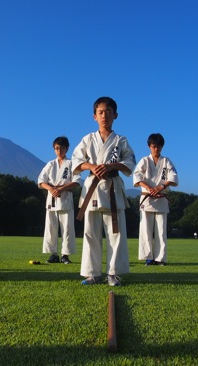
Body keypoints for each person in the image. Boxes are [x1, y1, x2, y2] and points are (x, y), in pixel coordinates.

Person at [71, 96, 136, 286]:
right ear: (94, 116)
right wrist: (91, 166)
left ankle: (113, 273)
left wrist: (112, 166)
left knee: (116, 233)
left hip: (113, 189)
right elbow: (76, 161)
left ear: (115, 115)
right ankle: (92, 273)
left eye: (108, 112)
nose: (104, 115)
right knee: (91, 233)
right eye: (100, 112)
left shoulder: (120, 140)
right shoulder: (87, 139)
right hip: (92, 189)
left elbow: (130, 163)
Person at [133, 133, 178, 266]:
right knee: (145, 229)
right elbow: (137, 177)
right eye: (153, 147)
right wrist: (149, 188)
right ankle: (148, 257)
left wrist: (161, 186)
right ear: (149, 146)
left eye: (158, 147)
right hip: (147, 198)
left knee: (161, 230)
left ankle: (160, 258)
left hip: (161, 198)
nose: (156, 149)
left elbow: (173, 177)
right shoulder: (144, 161)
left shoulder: (167, 161)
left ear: (162, 147)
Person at [38, 136, 81, 264]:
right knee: (51, 227)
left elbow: (76, 182)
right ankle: (53, 254)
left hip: (65, 198)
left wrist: (62, 189)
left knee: (67, 228)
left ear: (67, 148)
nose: (59, 150)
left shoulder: (71, 163)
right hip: (52, 198)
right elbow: (40, 181)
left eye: (61, 148)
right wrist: (51, 189)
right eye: (56, 148)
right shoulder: (50, 164)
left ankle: (65, 255)